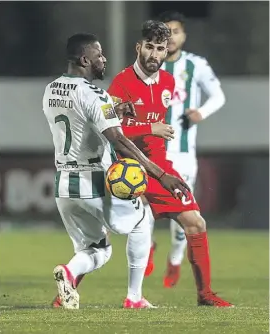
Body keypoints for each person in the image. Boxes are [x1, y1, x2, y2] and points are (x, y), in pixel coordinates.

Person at [44, 33, 190, 309]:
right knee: (141, 220)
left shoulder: (51, 89)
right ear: (85, 59)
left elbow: (79, 118)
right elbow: (119, 139)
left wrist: (115, 109)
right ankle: (134, 297)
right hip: (94, 179)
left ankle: (69, 272)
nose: (104, 59)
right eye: (99, 55)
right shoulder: (94, 94)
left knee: (96, 249)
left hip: (64, 185)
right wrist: (160, 174)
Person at [108, 20, 233, 307]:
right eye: (149, 47)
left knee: (195, 223)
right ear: (139, 47)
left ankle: (204, 294)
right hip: (132, 168)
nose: (154, 54)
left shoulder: (168, 82)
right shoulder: (121, 82)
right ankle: (70, 283)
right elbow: (111, 129)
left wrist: (152, 135)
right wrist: (149, 129)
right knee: (99, 236)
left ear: (167, 51)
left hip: (162, 166)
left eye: (160, 49)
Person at [143, 11, 226, 288]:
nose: (172, 37)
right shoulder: (147, 65)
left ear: (183, 35)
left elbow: (218, 96)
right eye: (166, 32)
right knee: (143, 206)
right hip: (150, 152)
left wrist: (201, 112)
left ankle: (175, 259)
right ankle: (147, 248)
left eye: (176, 31)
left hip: (182, 154)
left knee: (183, 213)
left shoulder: (196, 65)